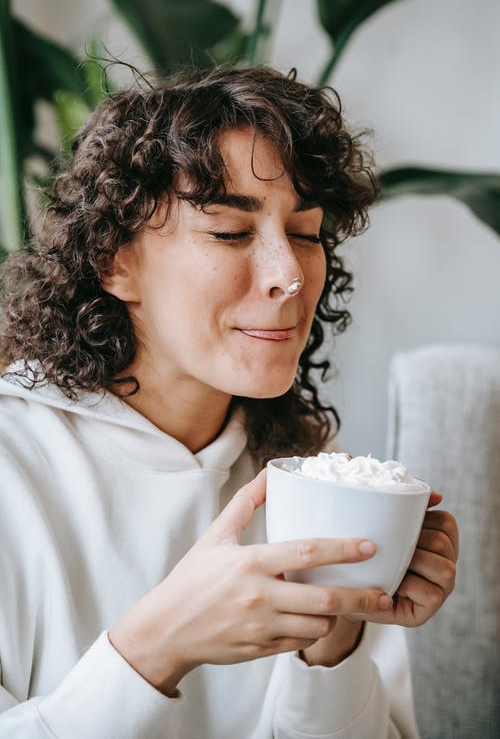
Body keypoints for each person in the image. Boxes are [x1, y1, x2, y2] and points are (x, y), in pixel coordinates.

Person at [0, 65, 458, 739]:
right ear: (113, 261)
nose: (289, 277)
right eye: (229, 233)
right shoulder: (15, 465)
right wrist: (156, 648)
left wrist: (333, 643)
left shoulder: (313, 473)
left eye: (305, 234)